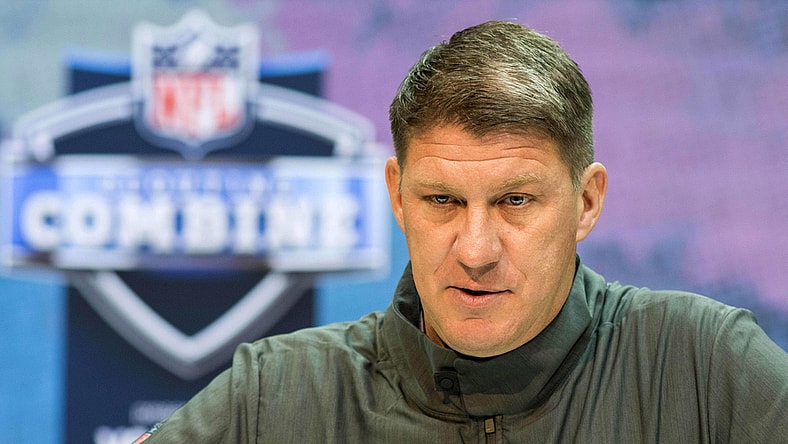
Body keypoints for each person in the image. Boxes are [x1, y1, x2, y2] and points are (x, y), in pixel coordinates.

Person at [135, 20, 788, 443]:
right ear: (396, 194)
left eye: (515, 201)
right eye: (442, 200)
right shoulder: (277, 397)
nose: (475, 251)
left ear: (586, 202)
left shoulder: (705, 368)